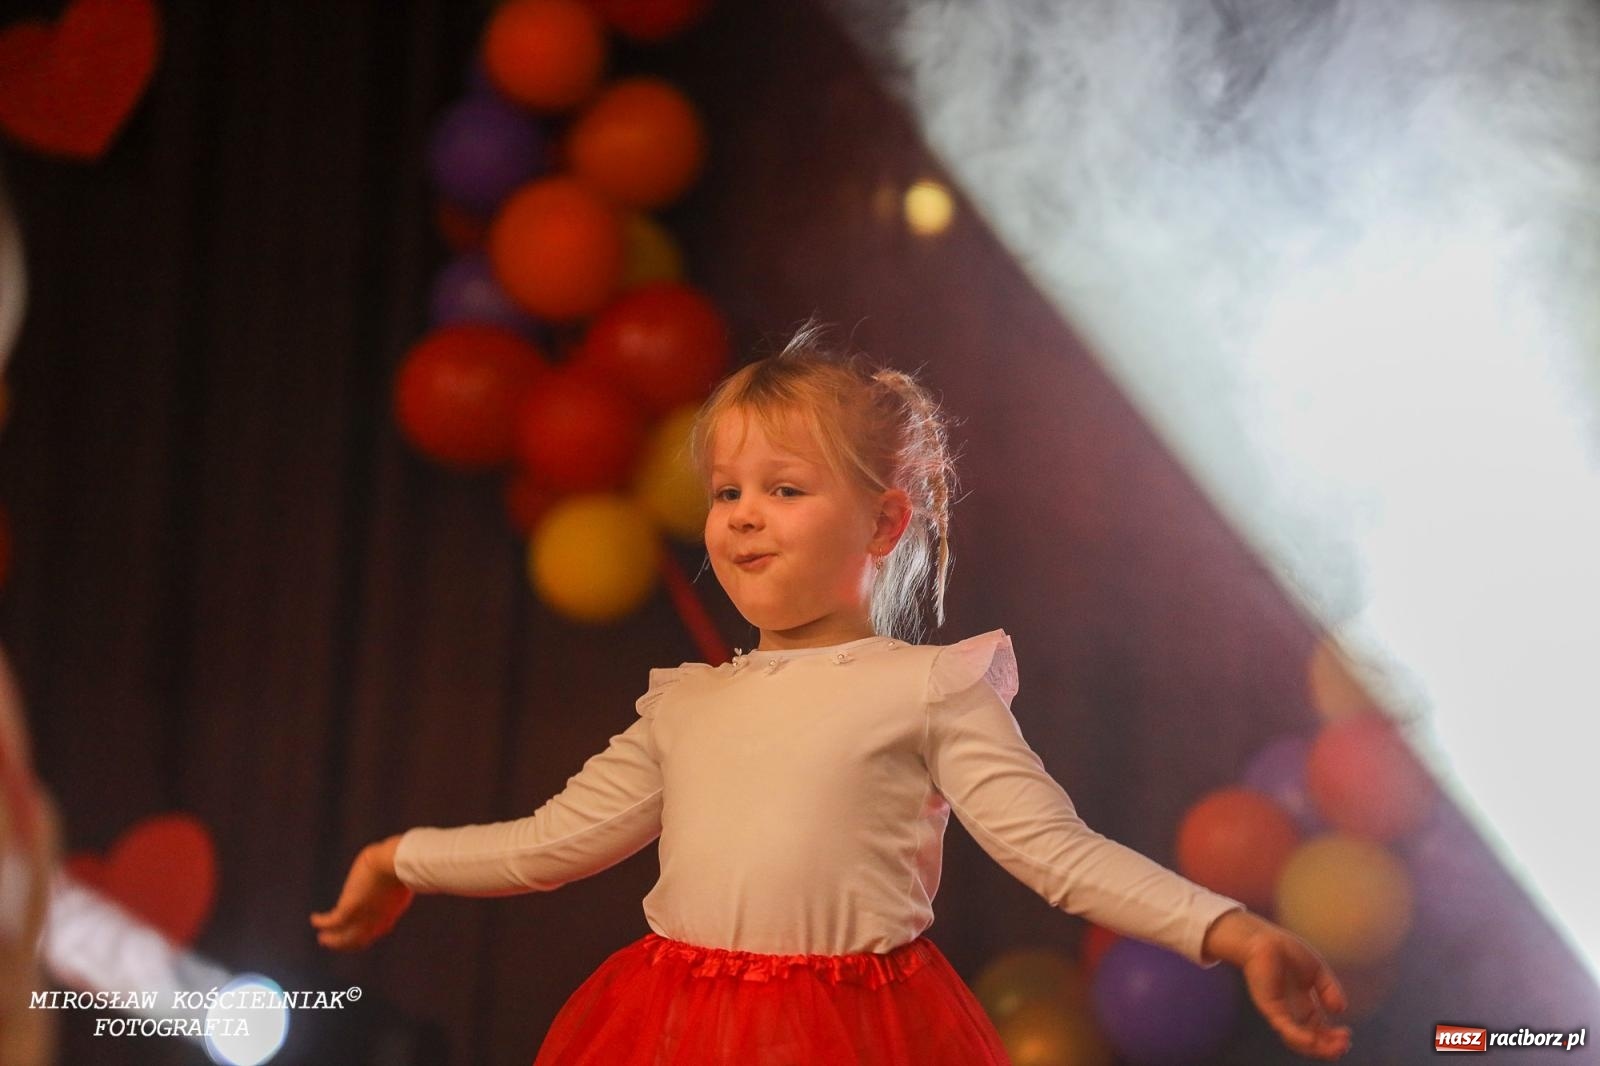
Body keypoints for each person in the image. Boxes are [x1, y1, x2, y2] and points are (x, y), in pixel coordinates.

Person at [312, 327, 1352, 1063]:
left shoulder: (931, 690)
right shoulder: (686, 705)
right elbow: (550, 842)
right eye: (727, 492)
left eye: (784, 489)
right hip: (671, 1034)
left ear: (883, 522)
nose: (743, 516)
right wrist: (398, 857)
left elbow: (1059, 855)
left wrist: (1236, 932)